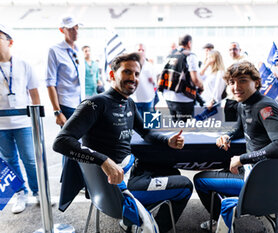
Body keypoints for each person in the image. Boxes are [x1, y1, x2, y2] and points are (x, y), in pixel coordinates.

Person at [53, 53, 193, 233]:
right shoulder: (95, 103)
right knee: (185, 185)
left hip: (127, 173)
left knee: (171, 172)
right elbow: (61, 142)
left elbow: (147, 133)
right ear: (112, 75)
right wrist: (103, 160)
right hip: (115, 187)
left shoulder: (129, 103)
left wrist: (168, 140)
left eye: (136, 74)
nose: (133, 78)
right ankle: (154, 228)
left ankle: (134, 220)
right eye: (127, 72)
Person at [193, 61, 278, 230]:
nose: (236, 87)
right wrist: (228, 135)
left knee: (200, 180)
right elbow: (240, 128)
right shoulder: (243, 103)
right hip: (254, 171)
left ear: (256, 82)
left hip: (262, 179)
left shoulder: (265, 106)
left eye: (242, 80)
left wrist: (242, 159)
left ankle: (221, 221)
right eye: (231, 82)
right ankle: (230, 215)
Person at [0, 24, 40, 214]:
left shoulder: (24, 65)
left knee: (30, 159)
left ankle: (38, 191)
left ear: (10, 42)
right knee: (9, 160)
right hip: (1, 125)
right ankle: (20, 193)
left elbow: (34, 93)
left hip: (23, 123)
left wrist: (36, 121)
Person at [46, 16, 85, 127]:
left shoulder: (79, 51)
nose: (75, 31)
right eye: (71, 28)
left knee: (83, 140)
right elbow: (50, 83)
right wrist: (57, 112)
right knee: (70, 141)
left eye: (77, 27)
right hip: (66, 105)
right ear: (62, 30)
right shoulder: (54, 50)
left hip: (81, 103)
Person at [160, 34, 204, 122]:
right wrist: (202, 87)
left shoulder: (169, 55)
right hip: (184, 98)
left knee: (175, 127)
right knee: (185, 129)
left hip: (168, 96)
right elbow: (195, 80)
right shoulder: (190, 56)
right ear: (189, 43)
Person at [130, 43, 157, 118]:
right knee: (137, 124)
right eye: (139, 49)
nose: (141, 51)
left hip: (148, 99)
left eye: (143, 50)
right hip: (135, 99)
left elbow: (155, 84)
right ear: (135, 51)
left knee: (150, 123)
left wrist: (152, 81)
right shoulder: (130, 65)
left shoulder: (150, 66)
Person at [224, 42, 248, 122]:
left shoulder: (245, 60)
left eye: (234, 49)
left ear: (239, 50)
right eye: (230, 50)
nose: (232, 51)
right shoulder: (227, 62)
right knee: (229, 125)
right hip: (230, 98)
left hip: (243, 99)